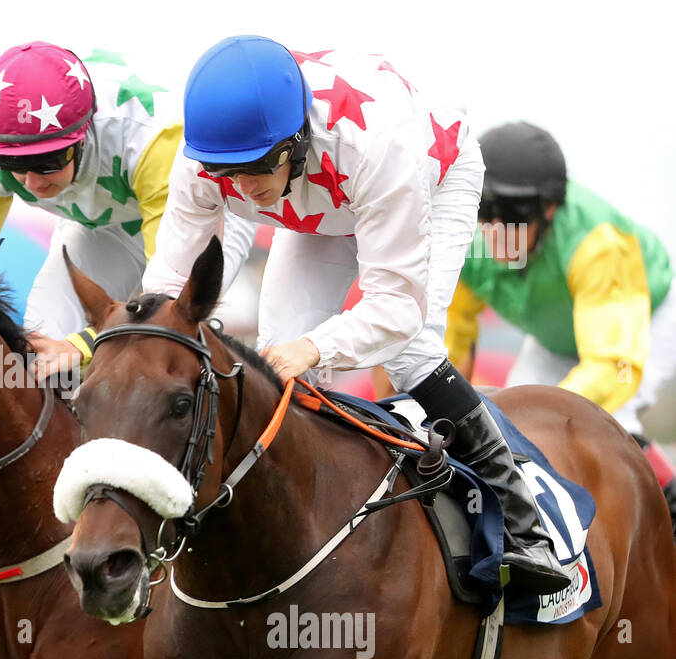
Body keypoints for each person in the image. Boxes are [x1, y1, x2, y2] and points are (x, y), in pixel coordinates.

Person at [135, 35, 570, 594]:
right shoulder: (205, 160)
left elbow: (395, 308)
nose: (243, 190)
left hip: (428, 177)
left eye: (257, 169)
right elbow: (168, 292)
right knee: (279, 356)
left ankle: (522, 521)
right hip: (317, 197)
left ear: (295, 139)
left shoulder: (380, 147)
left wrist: (316, 347)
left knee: (408, 352)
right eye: (227, 173)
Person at [0, 42, 254, 375]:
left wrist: (82, 345)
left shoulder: (151, 142)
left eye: (47, 161)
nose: (32, 183)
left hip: (207, 210)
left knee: (161, 338)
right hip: (106, 222)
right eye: (13, 164)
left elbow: (167, 298)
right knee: (46, 344)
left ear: (83, 135)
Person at [446, 122, 676, 499]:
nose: (495, 231)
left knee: (604, 420)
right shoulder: (471, 242)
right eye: (485, 212)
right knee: (512, 414)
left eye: (512, 214)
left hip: (643, 320)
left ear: (550, 209)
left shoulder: (598, 245)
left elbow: (610, 367)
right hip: (557, 336)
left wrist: (547, 415)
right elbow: (454, 337)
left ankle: (669, 500)